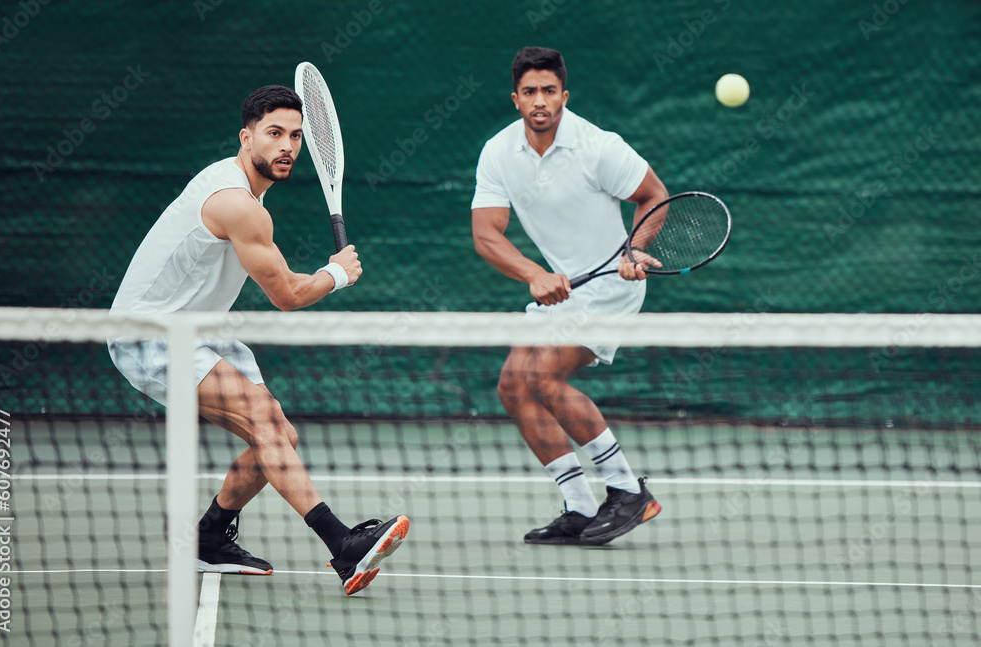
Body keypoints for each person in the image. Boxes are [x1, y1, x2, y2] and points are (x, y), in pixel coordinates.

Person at [107, 85, 408, 595]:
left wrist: (331, 274)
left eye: (295, 136)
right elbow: (288, 295)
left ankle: (209, 538)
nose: (286, 145)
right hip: (150, 333)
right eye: (274, 134)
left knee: (277, 439)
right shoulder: (236, 204)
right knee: (266, 422)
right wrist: (335, 274)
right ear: (246, 139)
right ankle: (343, 545)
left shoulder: (251, 200)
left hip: (202, 330)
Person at [471, 47, 667, 546]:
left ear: (564, 95)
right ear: (516, 98)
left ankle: (626, 489)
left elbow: (655, 196)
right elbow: (486, 234)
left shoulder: (598, 146)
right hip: (560, 292)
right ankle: (578, 505)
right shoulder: (498, 152)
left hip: (610, 289)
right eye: (531, 92)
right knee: (513, 386)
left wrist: (636, 249)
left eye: (550, 91)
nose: (541, 101)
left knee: (541, 374)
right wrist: (535, 274)